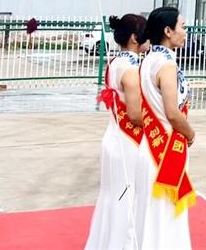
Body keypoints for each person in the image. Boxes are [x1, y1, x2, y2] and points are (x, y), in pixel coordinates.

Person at [85, 14, 147, 250]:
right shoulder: (131, 69)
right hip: (128, 143)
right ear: (134, 38)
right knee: (127, 198)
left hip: (113, 137)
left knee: (112, 197)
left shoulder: (114, 63)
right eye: (145, 33)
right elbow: (135, 114)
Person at [135, 7, 195, 250]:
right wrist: (190, 133)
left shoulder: (148, 60)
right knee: (166, 217)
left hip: (149, 146)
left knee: (150, 217)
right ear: (168, 31)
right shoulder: (166, 65)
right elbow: (172, 113)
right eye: (182, 26)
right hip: (167, 149)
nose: (185, 31)